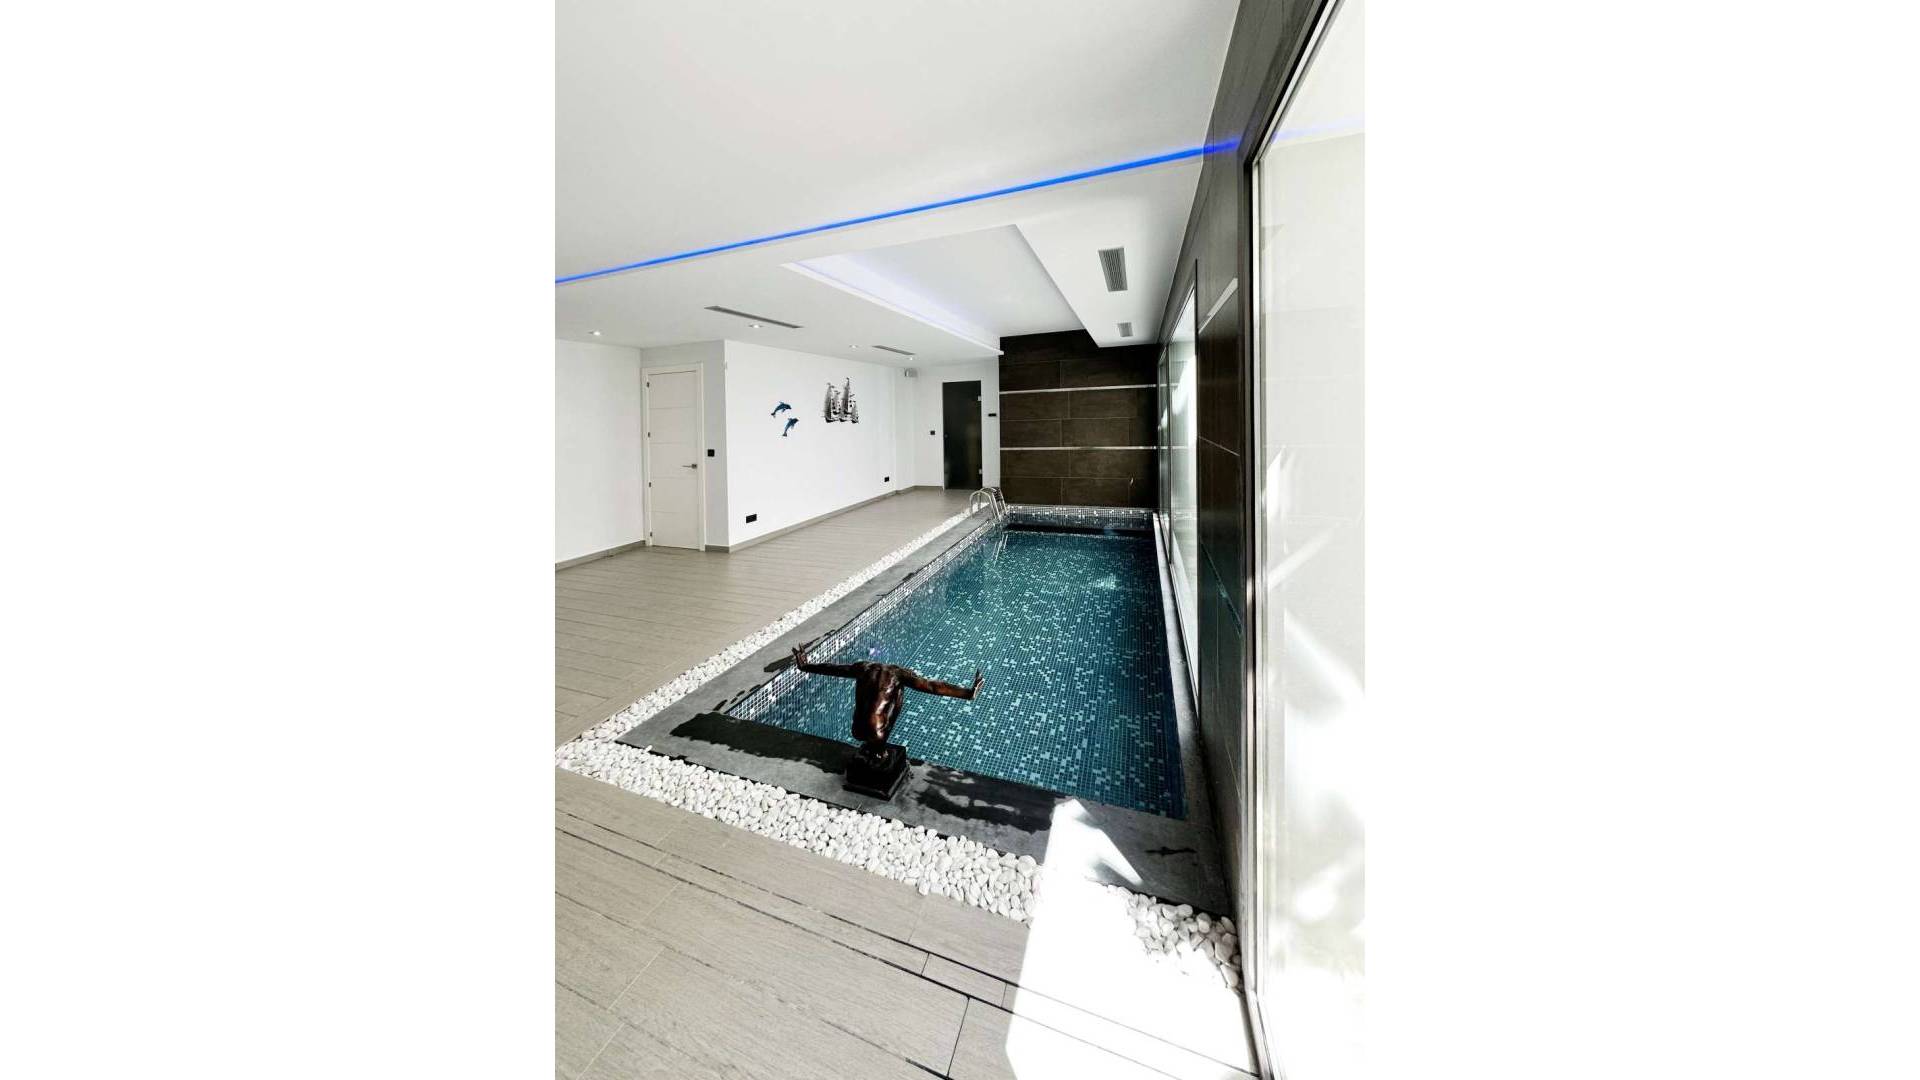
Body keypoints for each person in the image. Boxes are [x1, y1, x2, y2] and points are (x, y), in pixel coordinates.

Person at [791, 643, 983, 795]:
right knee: (896, 697)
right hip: (877, 730)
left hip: (857, 728)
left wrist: (805, 666)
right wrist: (967, 693)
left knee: (875, 705)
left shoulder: (862, 667)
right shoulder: (899, 675)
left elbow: (833, 669)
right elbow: (932, 686)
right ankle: (879, 753)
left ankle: (871, 750)